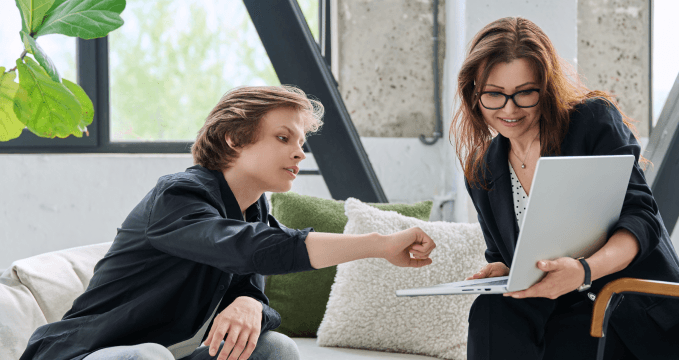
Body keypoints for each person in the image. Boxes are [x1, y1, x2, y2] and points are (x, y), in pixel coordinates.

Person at [21, 85, 436, 360]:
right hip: (84, 354)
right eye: (283, 138)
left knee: (274, 349)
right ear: (235, 138)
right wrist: (380, 244)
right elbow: (254, 247)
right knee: (145, 356)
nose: (300, 154)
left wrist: (249, 302)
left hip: (166, 355)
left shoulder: (253, 209)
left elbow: (252, 287)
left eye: (302, 143)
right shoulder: (178, 197)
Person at [450, 17, 679, 360]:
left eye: (525, 93)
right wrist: (502, 269)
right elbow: (502, 254)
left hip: (627, 308)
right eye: (494, 95)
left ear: (546, 88)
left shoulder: (590, 122)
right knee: (490, 308)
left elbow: (642, 220)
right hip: (555, 311)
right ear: (474, 93)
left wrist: (583, 271)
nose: (509, 109)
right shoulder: (483, 168)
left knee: (565, 337)